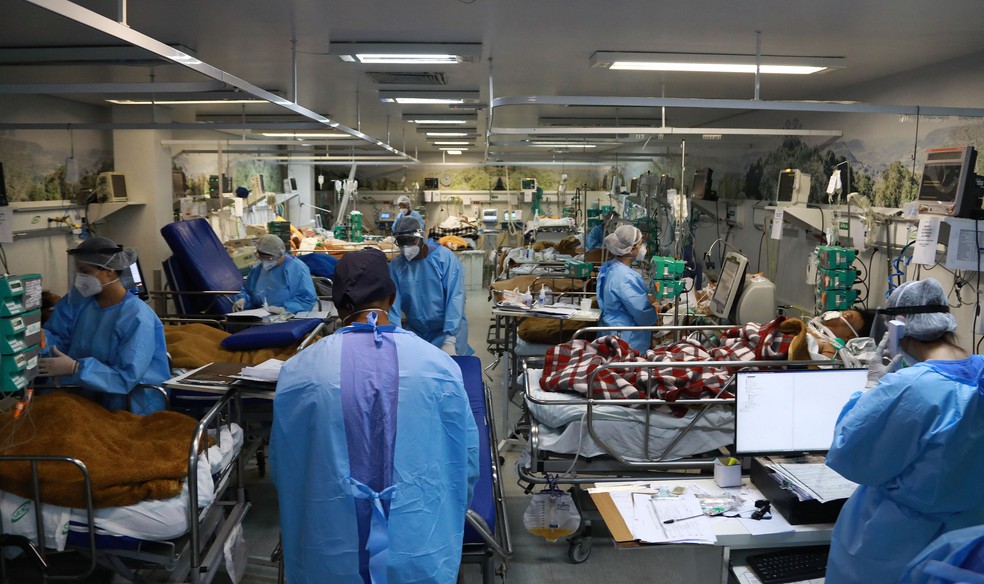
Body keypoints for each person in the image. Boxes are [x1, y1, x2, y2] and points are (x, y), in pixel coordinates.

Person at [270, 248, 479, 584]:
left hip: (330, 545)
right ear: (393, 296)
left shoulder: (300, 371)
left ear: (338, 304)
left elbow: (285, 467)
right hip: (418, 542)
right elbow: (465, 461)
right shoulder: (438, 367)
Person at [825, 278, 984, 583]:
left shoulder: (910, 387)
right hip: (966, 545)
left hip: (899, 541)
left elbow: (849, 452)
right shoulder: (977, 375)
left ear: (896, 327)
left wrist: (871, 390)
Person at [36, 237, 169, 415]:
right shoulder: (78, 302)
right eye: (78, 272)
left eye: (85, 271)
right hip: (81, 393)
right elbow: (58, 337)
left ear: (110, 270)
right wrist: (38, 338)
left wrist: (76, 368)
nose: (80, 279)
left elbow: (126, 378)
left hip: (128, 403)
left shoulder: (137, 316)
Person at [389, 216, 473, 356]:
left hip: (447, 331)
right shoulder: (396, 266)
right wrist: (396, 337)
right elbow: (393, 305)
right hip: (416, 333)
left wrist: (450, 340)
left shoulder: (444, 259)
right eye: (401, 242)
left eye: (410, 241)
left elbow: (455, 298)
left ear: (421, 236)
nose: (406, 247)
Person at [596, 224, 658, 353]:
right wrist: (655, 314)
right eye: (640, 245)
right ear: (630, 250)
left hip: (610, 327)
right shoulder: (626, 277)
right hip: (626, 336)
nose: (643, 248)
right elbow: (641, 312)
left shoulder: (611, 267)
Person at [232, 234, 317, 314]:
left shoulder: (296, 268)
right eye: (262, 258)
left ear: (280, 254)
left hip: (289, 318)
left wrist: (284, 309)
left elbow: (307, 299)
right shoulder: (257, 269)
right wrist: (243, 299)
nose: (265, 262)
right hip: (260, 317)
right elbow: (249, 291)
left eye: (269, 258)